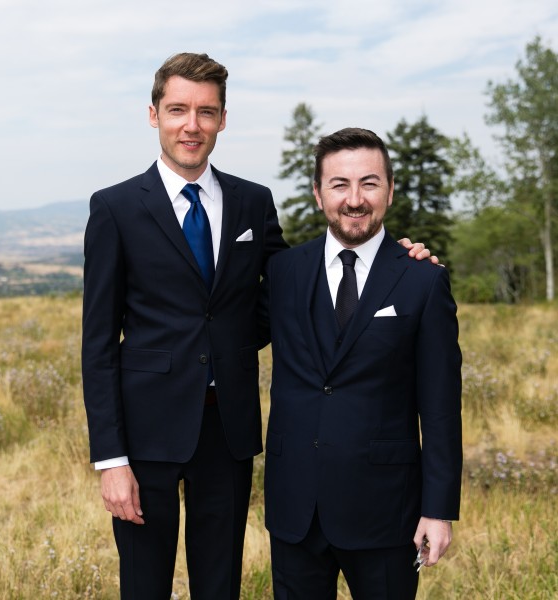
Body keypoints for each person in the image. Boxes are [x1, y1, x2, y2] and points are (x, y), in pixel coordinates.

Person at [82, 52, 434, 600]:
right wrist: (111, 459)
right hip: (145, 433)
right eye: (178, 110)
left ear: (223, 119)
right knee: (144, 586)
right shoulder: (115, 208)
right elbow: (99, 343)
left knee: (220, 583)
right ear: (154, 115)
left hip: (230, 430)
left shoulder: (252, 202)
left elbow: (296, 287)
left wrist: (397, 264)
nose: (192, 125)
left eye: (206, 112)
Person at [260, 127, 462, 599]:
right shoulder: (283, 272)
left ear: (389, 191)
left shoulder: (423, 280)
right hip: (295, 507)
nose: (355, 200)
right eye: (340, 185)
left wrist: (438, 509)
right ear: (318, 193)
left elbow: (440, 407)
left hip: (387, 511)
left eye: (369, 183)